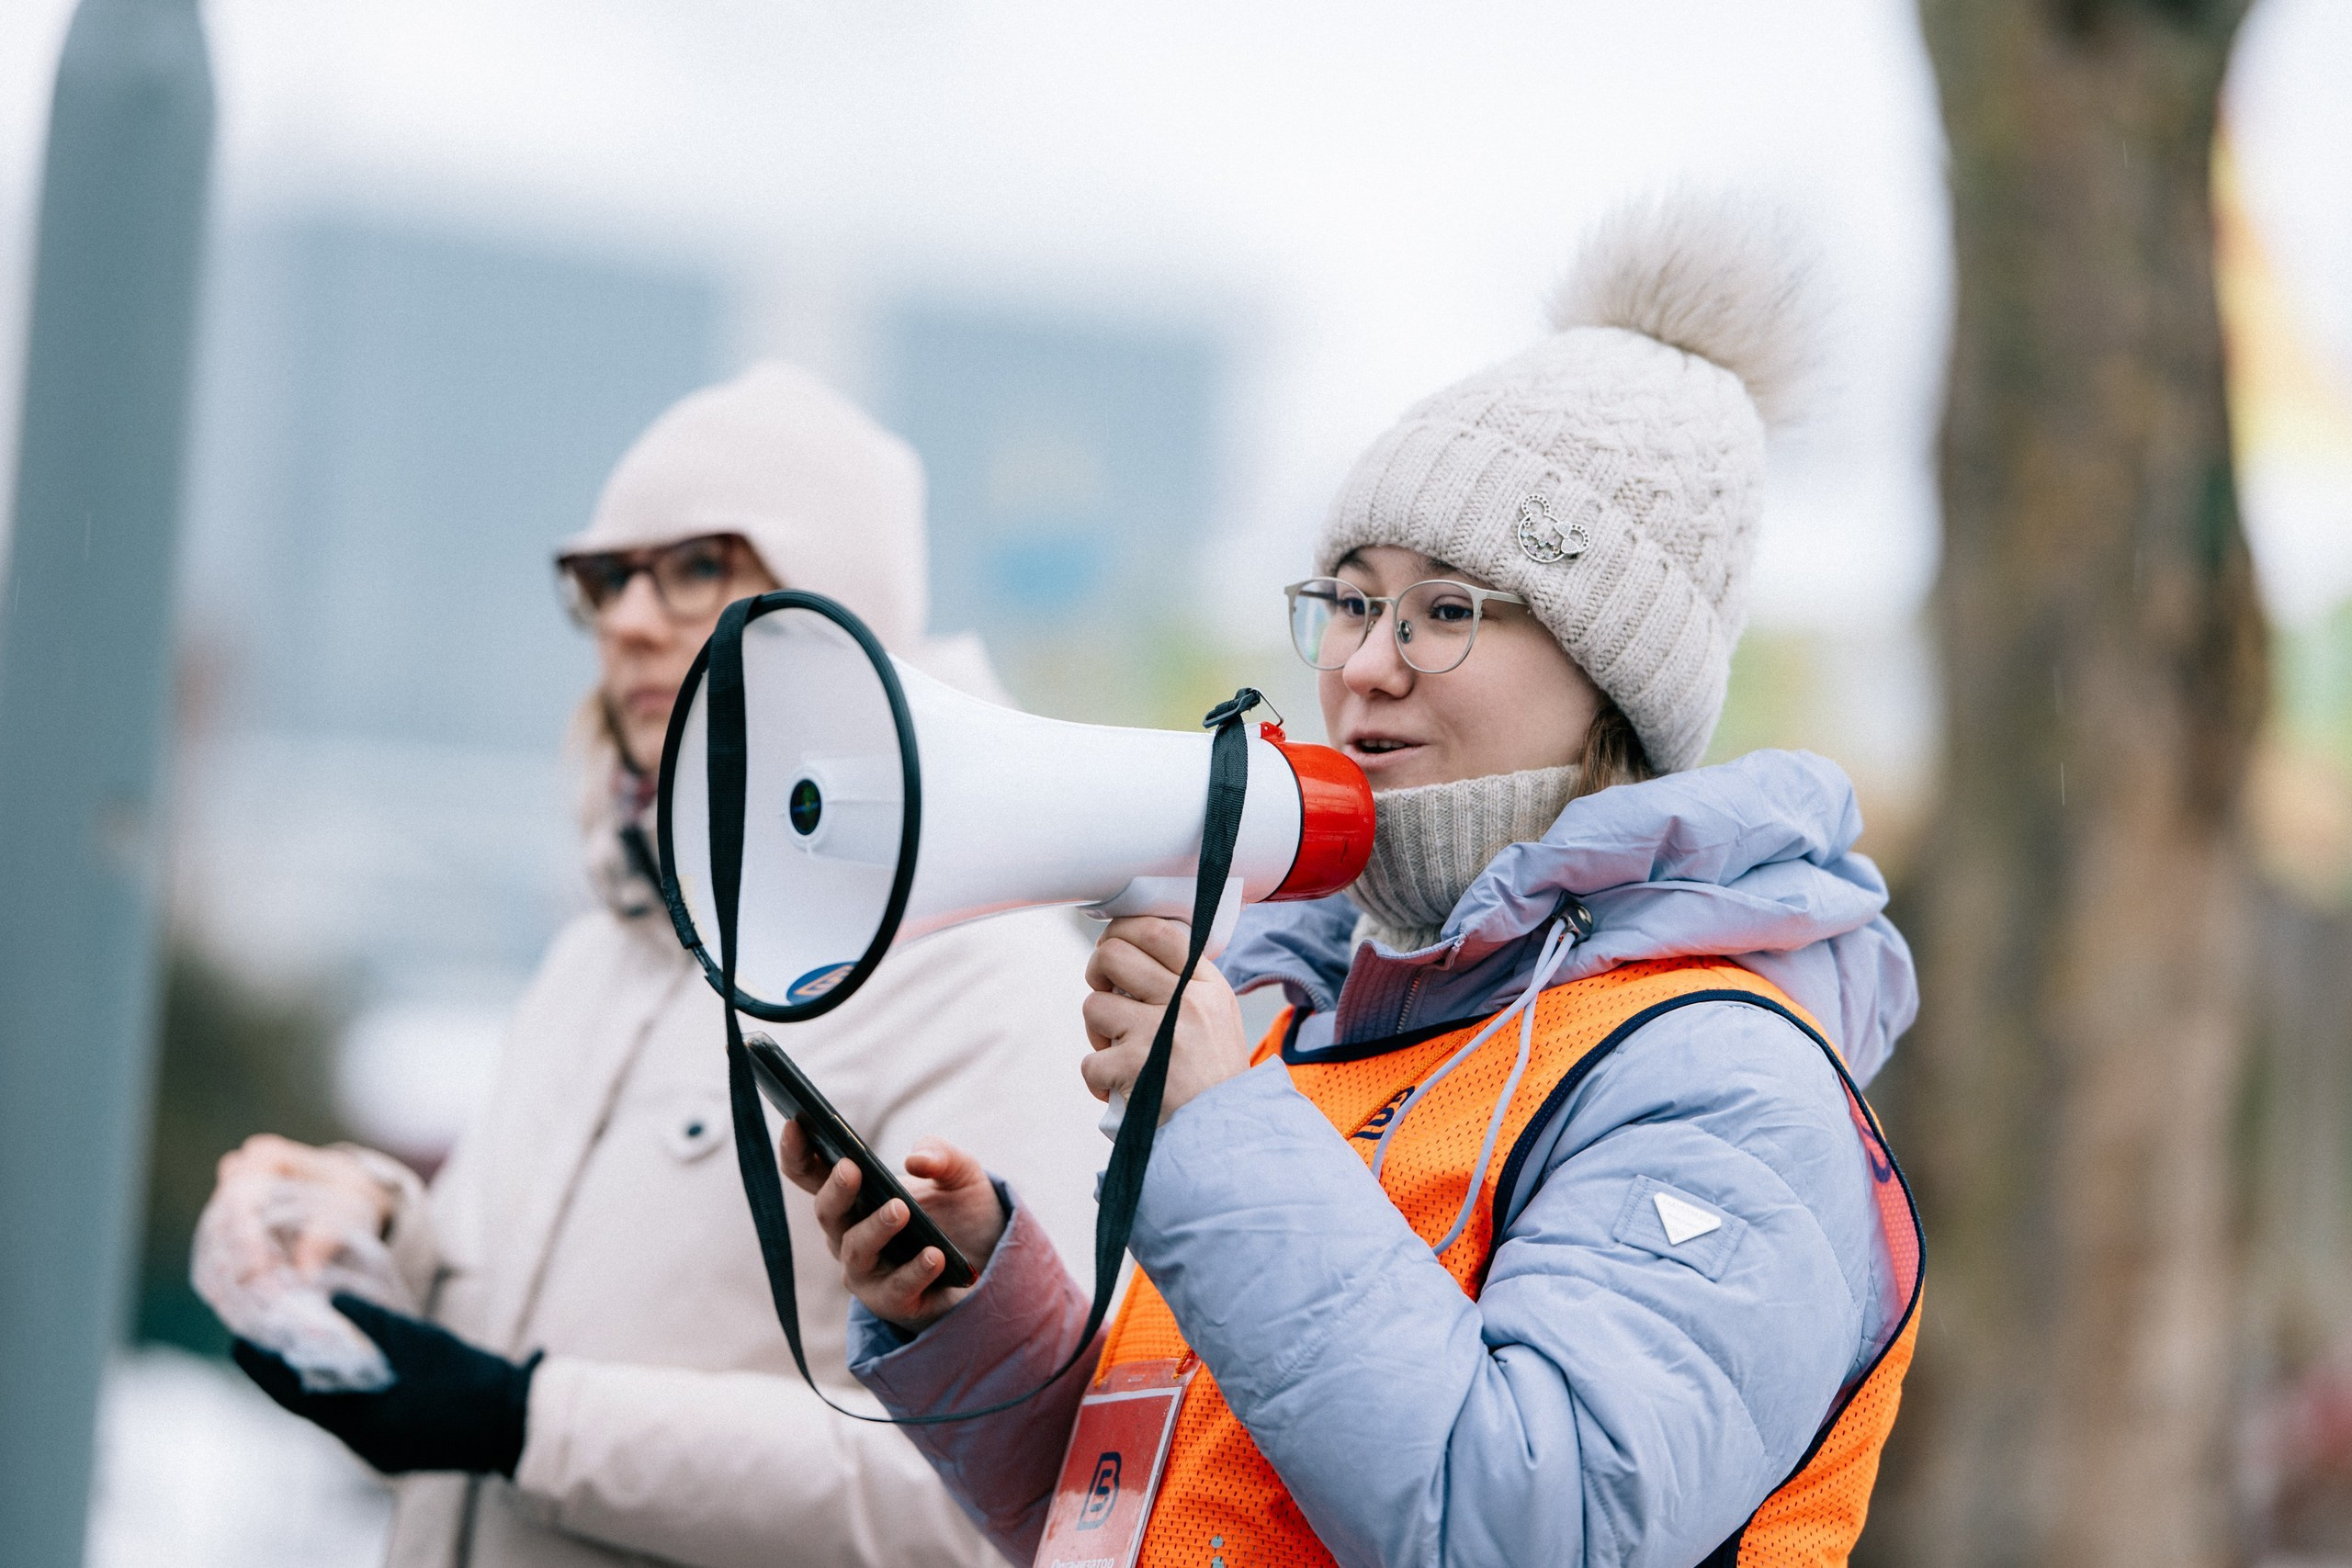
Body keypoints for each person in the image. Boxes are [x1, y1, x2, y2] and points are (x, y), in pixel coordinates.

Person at [789, 197, 1924, 1568]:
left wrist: (1217, 1131)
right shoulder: (1299, 1013)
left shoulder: (1725, 1087)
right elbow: (1174, 1510)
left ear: (1611, 674)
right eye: (1349, 598)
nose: (1367, 665)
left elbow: (1530, 1525)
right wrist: (978, 1315)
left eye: (1446, 611)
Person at [208, 363, 1105, 1568]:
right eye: (606, 578)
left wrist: (525, 1424)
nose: (628, 620)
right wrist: (356, 1233)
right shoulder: (601, 956)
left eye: (694, 567)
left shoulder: (990, 978)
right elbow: (488, 1355)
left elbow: (981, 1501)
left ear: (836, 611)